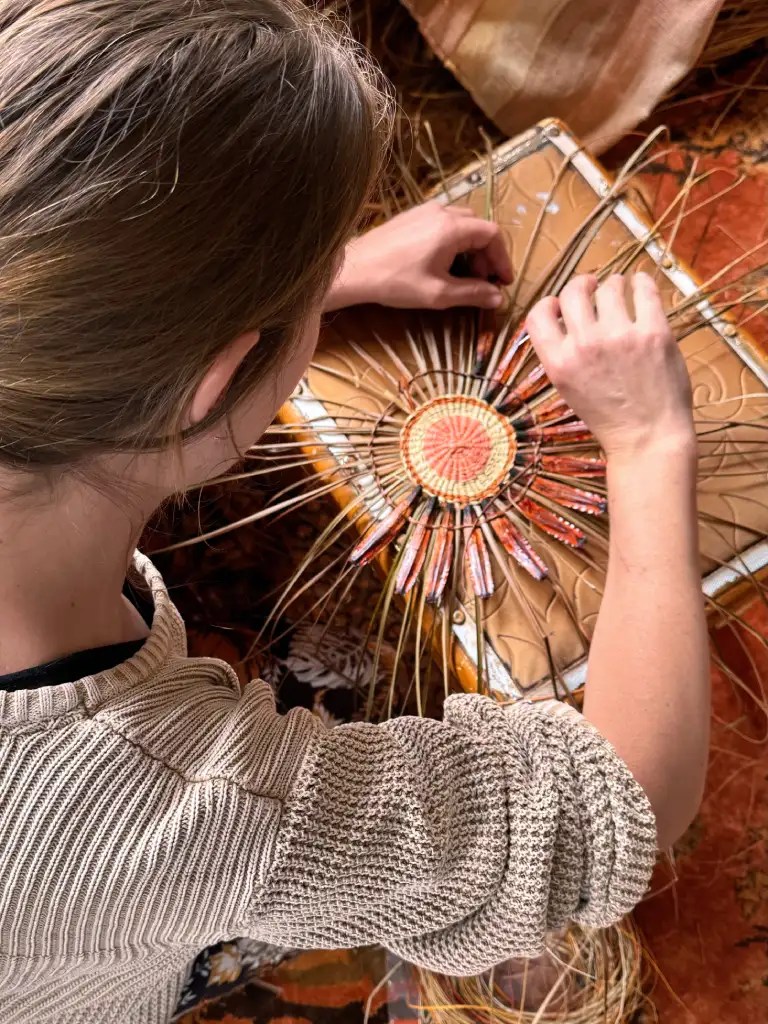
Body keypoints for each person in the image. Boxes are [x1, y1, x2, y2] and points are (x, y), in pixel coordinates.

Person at [0, 1, 710, 1022]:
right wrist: (648, 442)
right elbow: (622, 812)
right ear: (223, 376)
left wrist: (315, 281)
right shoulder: (191, 810)